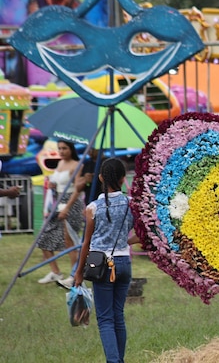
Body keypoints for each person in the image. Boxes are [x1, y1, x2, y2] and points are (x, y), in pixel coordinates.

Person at [74, 158, 139, 363]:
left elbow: (86, 243)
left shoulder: (93, 208)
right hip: (124, 263)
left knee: (105, 319)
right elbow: (144, 233)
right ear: (123, 178)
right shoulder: (131, 204)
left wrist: (78, 272)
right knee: (118, 315)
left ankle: (114, 361)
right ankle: (119, 359)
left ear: (101, 177)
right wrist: (126, 241)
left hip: (101, 266)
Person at [36, 140, 85, 286]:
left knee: (70, 241)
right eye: (59, 149)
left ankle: (74, 275)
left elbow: (77, 189)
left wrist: (67, 208)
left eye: (64, 148)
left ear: (71, 149)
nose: (61, 151)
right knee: (43, 238)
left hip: (71, 204)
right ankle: (55, 272)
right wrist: (52, 185)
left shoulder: (77, 165)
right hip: (57, 202)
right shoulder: (60, 164)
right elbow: (58, 183)